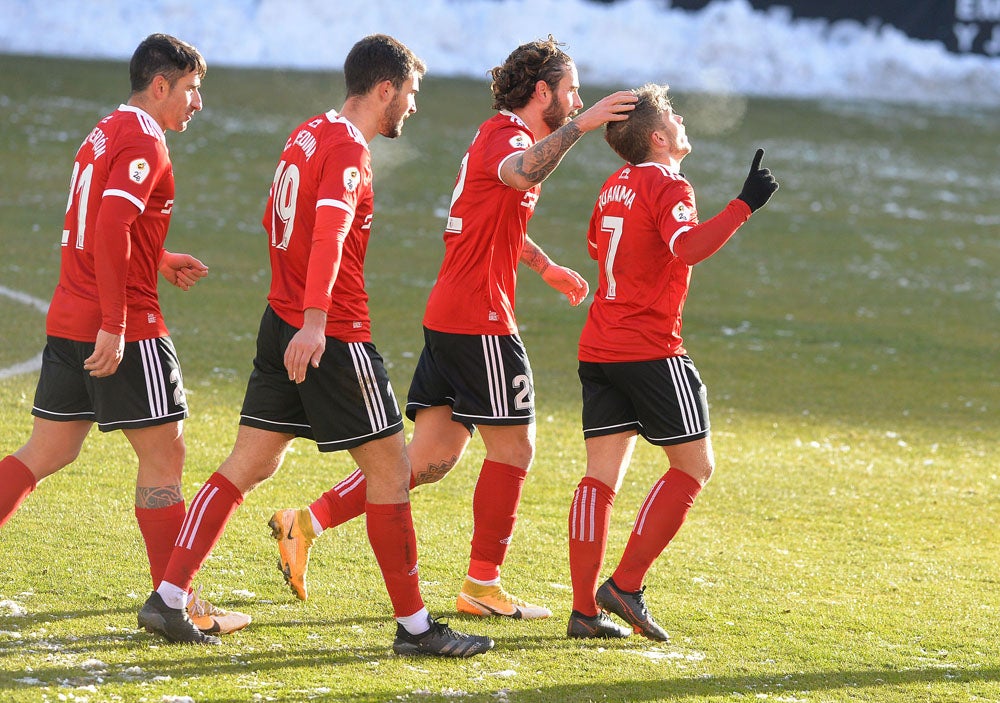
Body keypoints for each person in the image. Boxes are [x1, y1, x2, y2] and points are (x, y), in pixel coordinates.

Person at [138, 34, 494, 656]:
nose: (410, 107)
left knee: (249, 463)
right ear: (385, 89)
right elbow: (328, 232)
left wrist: (296, 313)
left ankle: (169, 597)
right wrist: (315, 320)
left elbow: (275, 218)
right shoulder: (349, 151)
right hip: (330, 333)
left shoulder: (307, 133)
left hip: (283, 320)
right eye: (409, 94)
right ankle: (415, 630)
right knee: (389, 472)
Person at [268, 35, 637, 621]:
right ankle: (482, 587)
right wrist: (585, 125)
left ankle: (304, 522)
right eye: (571, 91)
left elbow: (489, 215)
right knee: (515, 448)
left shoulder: (500, 137)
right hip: (480, 320)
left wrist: (544, 268)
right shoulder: (510, 138)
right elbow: (520, 175)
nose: (577, 98)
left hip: (452, 315)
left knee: (429, 458)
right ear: (543, 92)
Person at [0, 33, 249, 636]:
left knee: (49, 450)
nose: (197, 103)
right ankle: (174, 600)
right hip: (122, 326)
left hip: (68, 315)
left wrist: (157, 257)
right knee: (166, 456)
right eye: (191, 90)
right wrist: (114, 323)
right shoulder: (143, 137)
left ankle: (172, 597)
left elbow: (103, 223)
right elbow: (111, 225)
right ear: (160, 84)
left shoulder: (106, 130)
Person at [564, 83, 778, 640]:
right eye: (674, 115)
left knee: (598, 481)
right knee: (694, 467)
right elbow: (684, 248)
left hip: (599, 348)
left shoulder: (614, 185)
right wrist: (744, 205)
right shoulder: (669, 183)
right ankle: (625, 586)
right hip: (651, 350)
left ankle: (584, 611)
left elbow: (596, 246)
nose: (684, 119)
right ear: (659, 137)